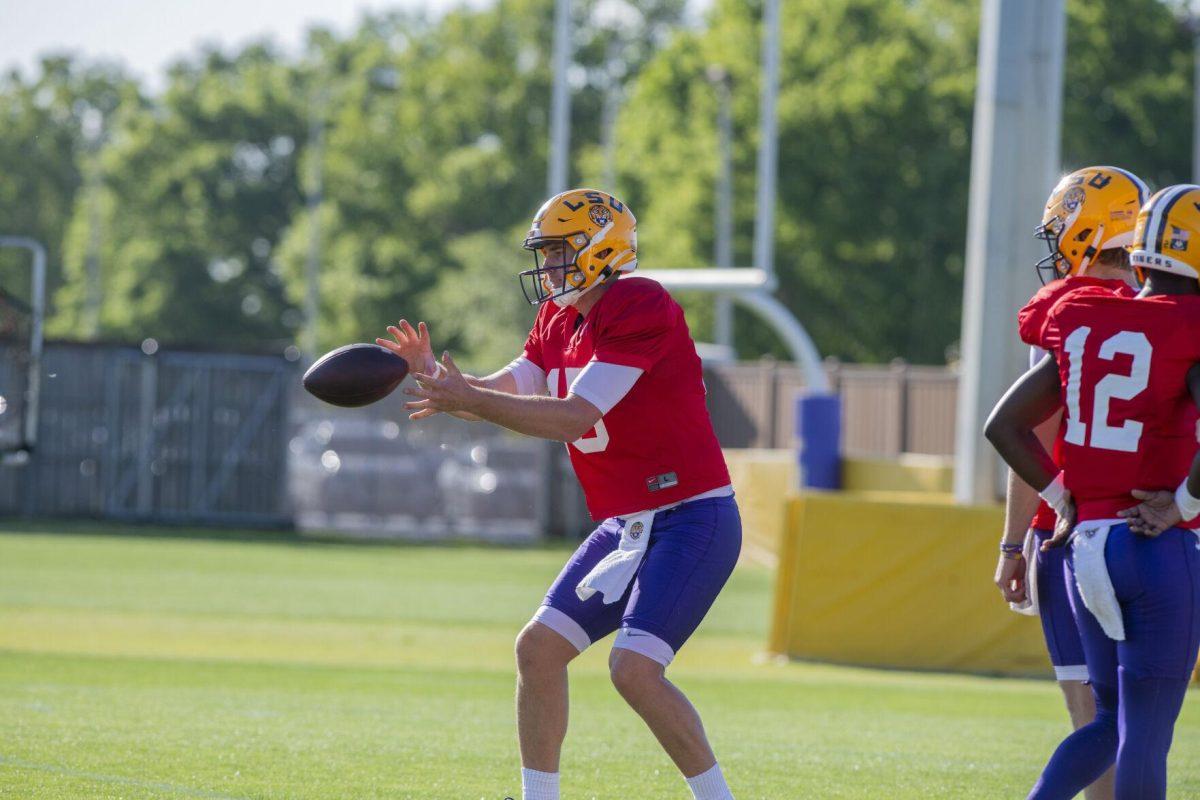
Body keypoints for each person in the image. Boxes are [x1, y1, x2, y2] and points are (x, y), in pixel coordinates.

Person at [377, 189, 742, 800]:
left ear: (601, 249)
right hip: (627, 523)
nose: (547, 267)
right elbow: (507, 388)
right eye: (544, 254)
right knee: (539, 650)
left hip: (691, 516)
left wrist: (470, 398)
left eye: (557, 252)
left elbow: (573, 416)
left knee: (634, 669)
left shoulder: (638, 302)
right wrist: (443, 382)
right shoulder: (558, 317)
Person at [984, 184, 1200, 799]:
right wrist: (1185, 503)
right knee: (1145, 737)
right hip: (1159, 543)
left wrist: (1061, 496)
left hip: (1083, 547)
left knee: (1107, 722)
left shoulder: (1079, 316)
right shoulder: (1188, 328)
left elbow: (1003, 425)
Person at [994, 166, 1146, 800]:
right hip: (1152, 533)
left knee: (1091, 718)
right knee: (1140, 721)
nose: (1054, 244)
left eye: (1062, 229)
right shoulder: (1164, 311)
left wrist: (1011, 543)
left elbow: (1027, 434)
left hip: (1072, 534)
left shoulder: (1067, 312)